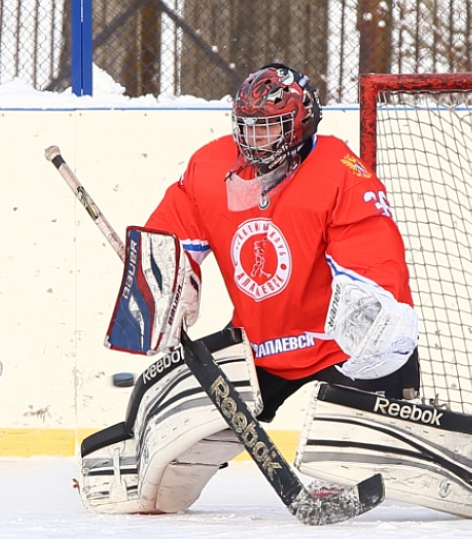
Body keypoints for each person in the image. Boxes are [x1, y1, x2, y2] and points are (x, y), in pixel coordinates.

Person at [79, 62, 423, 513]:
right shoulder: (212, 167)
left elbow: (371, 247)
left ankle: (401, 434)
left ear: (301, 123)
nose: (255, 142)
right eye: (248, 128)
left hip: (339, 345)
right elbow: (174, 234)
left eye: (269, 128)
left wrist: (375, 309)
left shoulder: (336, 169)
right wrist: (166, 282)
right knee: (171, 415)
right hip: (261, 344)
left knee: (376, 401)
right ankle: (133, 465)